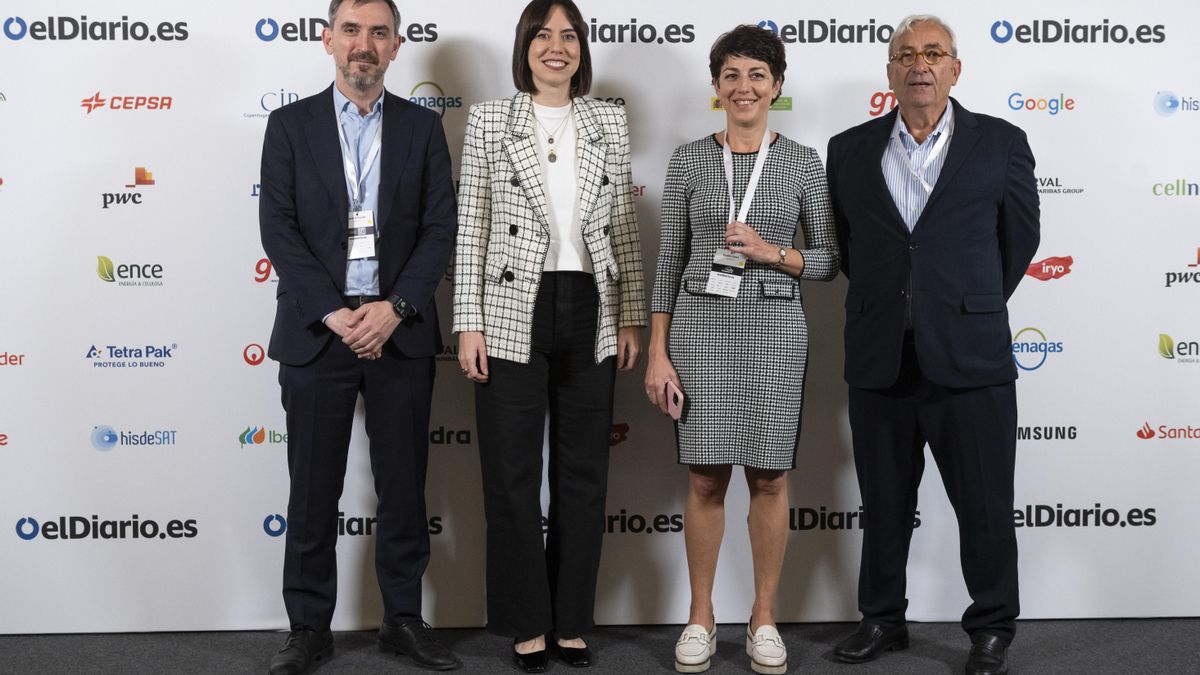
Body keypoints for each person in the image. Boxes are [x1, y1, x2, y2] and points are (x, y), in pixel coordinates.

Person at [826, 14, 1039, 675]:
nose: (919, 63)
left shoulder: (1001, 142)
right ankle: (883, 617)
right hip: (881, 354)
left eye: (933, 53)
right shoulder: (848, 148)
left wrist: (959, 303)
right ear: (889, 71)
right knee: (885, 503)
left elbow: (1018, 244)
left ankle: (993, 626)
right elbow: (852, 246)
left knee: (983, 504)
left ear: (955, 68)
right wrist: (903, 301)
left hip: (969, 358)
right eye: (905, 54)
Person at [258, 0, 460, 672]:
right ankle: (309, 625)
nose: (363, 45)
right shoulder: (289, 126)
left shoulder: (422, 128)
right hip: (319, 331)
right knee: (313, 489)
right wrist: (334, 311)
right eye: (351, 30)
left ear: (397, 46)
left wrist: (396, 306)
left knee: (404, 486)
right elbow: (278, 228)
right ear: (328, 40)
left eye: (378, 32)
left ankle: (402, 618)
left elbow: (439, 227)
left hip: (396, 330)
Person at [452, 0, 646, 671]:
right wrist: (467, 320)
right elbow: (472, 222)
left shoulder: (608, 120)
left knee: (584, 472)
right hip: (511, 305)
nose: (556, 47)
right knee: (509, 473)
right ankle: (526, 619)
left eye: (569, 36)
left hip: (590, 300)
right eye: (543, 35)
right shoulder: (487, 120)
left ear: (582, 49)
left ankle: (570, 620)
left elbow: (623, 222)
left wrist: (632, 314)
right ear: (525, 45)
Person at [644, 25, 839, 675]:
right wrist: (658, 352)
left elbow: (829, 259)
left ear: (777, 87)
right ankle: (700, 615)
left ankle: (762, 616)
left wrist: (769, 252)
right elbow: (669, 259)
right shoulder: (690, 159)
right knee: (703, 476)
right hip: (699, 331)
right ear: (716, 87)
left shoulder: (805, 161)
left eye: (758, 75)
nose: (744, 86)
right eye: (731, 74)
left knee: (770, 475)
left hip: (776, 330)